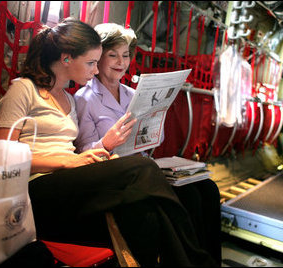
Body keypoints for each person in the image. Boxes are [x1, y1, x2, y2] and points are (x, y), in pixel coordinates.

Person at [0, 18, 217, 266]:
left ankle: (190, 261)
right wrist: (68, 162)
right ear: (66, 59)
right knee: (143, 169)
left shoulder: (67, 99)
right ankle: (198, 259)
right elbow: (1, 158)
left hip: (72, 176)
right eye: (91, 62)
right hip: (37, 185)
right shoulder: (23, 90)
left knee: (148, 211)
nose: (95, 70)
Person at [74, 23, 222, 264]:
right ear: (98, 57)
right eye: (113, 55)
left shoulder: (133, 94)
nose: (121, 62)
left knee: (207, 190)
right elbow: (82, 152)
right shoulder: (85, 98)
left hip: (144, 168)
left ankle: (210, 261)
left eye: (126, 55)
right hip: (116, 174)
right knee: (187, 201)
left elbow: (155, 141)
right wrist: (106, 143)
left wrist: (157, 120)